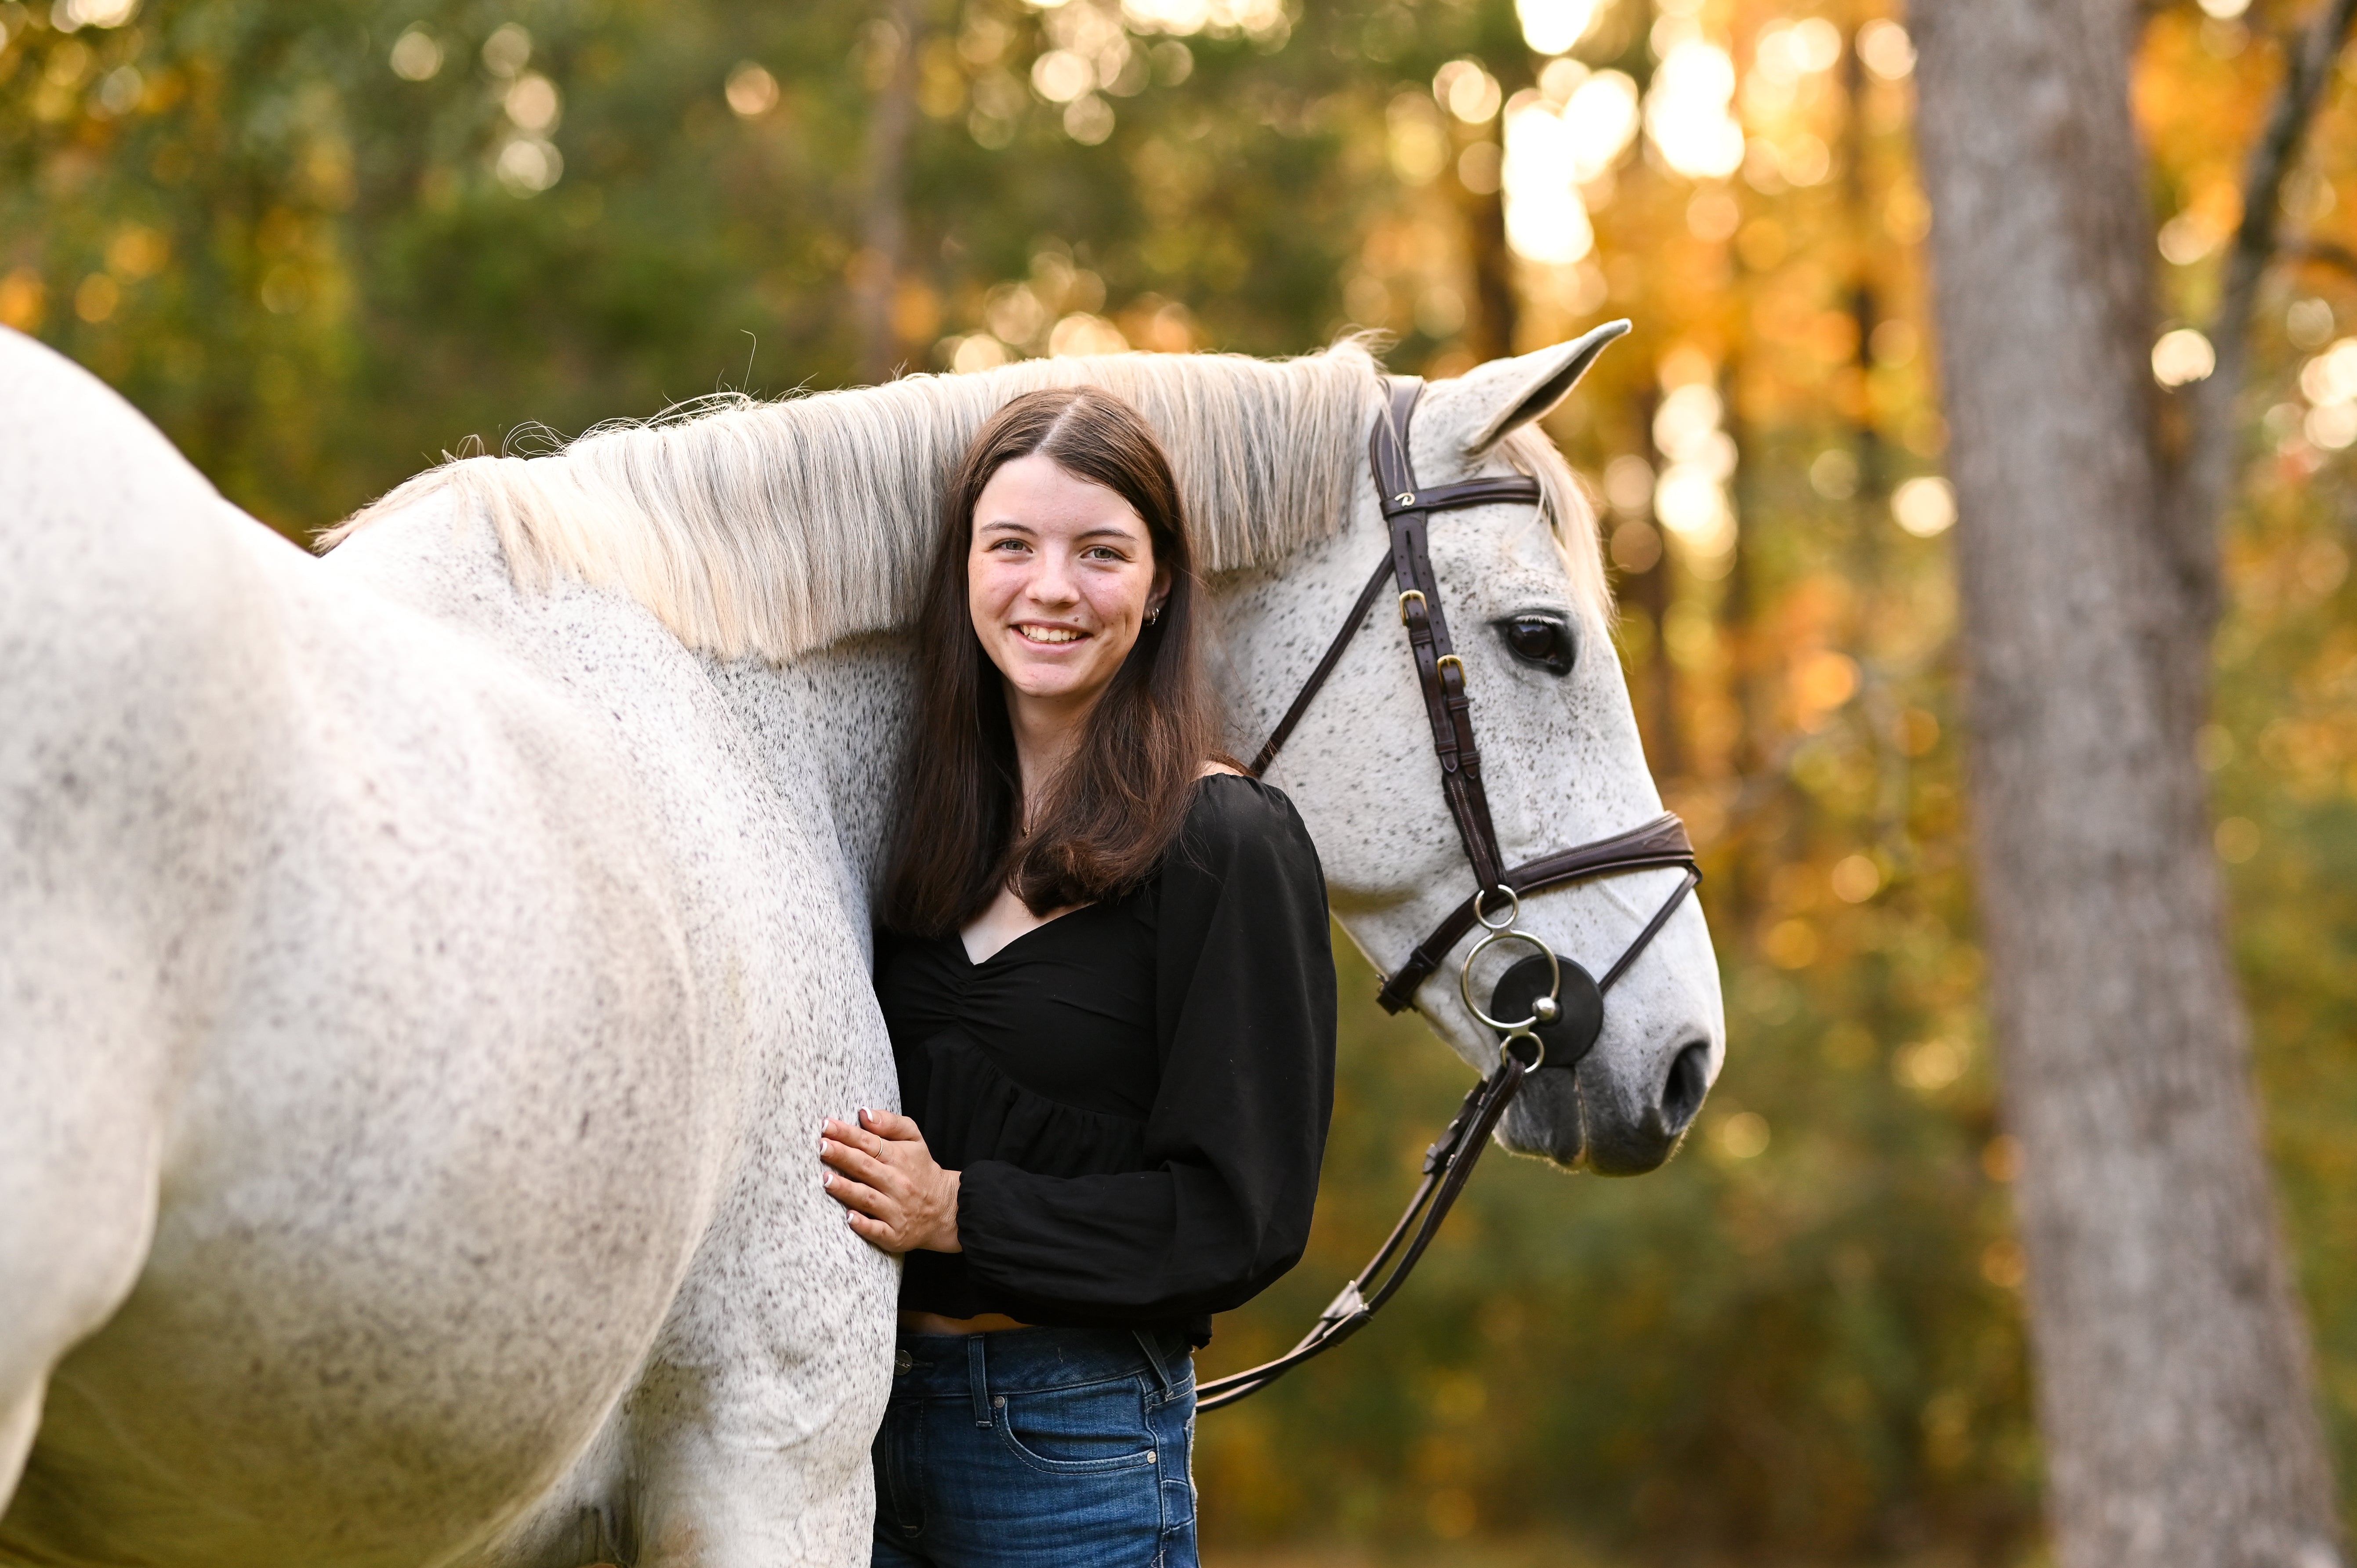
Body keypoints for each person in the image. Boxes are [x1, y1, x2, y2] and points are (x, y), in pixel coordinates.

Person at [818, 384, 1337, 1568]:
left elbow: (1239, 1216)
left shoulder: (1225, 840)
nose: (1049, 588)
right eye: (1012, 546)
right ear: (965, 571)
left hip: (1071, 1439)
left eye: (1099, 552)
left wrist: (960, 1209)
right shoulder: (912, 831)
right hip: (849, 1428)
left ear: (1158, 586)